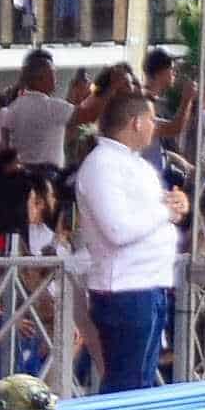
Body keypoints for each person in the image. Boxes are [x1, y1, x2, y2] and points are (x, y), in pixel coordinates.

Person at [73, 88, 176, 390]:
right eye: (152, 119)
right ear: (136, 122)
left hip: (148, 284)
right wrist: (165, 211)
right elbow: (117, 230)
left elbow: (155, 211)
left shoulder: (137, 164)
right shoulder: (102, 165)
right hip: (124, 289)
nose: (155, 126)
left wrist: (172, 207)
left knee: (141, 380)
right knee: (125, 381)